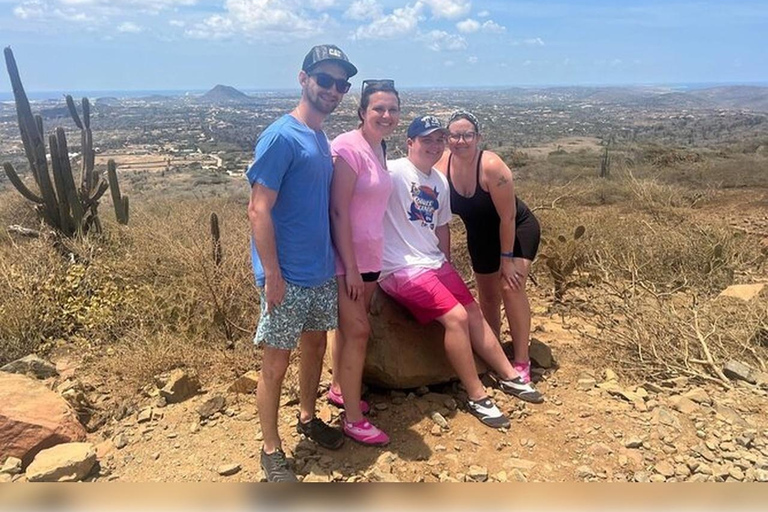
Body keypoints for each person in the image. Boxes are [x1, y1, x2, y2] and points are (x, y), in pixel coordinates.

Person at [379, 115, 542, 431]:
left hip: (493, 237)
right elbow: (359, 173)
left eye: (438, 139)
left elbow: (446, 226)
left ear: (477, 137)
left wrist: (446, 263)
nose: (436, 145)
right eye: (428, 139)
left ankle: (512, 371)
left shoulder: (450, 178)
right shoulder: (394, 171)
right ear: (409, 142)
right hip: (402, 266)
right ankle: (477, 394)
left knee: (482, 306)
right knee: (458, 316)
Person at [246, 44, 357, 482]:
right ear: (303, 78)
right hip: (287, 276)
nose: (333, 89)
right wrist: (272, 274)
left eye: (341, 84)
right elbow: (258, 209)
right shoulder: (281, 135)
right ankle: (270, 449)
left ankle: (308, 417)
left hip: (319, 270)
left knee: (313, 347)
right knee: (275, 364)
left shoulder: (319, 136)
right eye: (325, 79)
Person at [436, 109, 543, 398]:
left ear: (478, 137)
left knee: (511, 287)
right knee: (487, 297)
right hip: (480, 234)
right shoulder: (441, 165)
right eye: (454, 135)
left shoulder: (492, 166)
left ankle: (521, 360)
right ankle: (494, 351)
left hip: (516, 229)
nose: (461, 141)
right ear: (447, 138)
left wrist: (507, 261)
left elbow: (508, 218)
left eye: (467, 135)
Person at [327, 80, 401, 446]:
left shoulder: (379, 147)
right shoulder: (347, 146)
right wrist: (351, 267)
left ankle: (341, 388)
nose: (386, 115)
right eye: (378, 109)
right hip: (348, 259)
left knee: (349, 331)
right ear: (362, 112)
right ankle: (353, 419)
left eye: (392, 109)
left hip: (371, 256)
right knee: (357, 331)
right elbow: (338, 209)